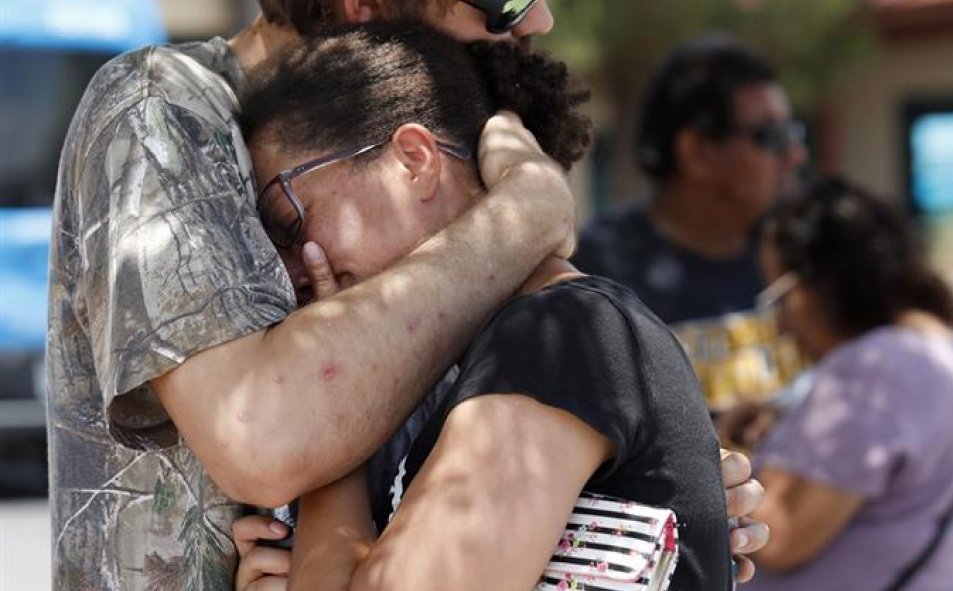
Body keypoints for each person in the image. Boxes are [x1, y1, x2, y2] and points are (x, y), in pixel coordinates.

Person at [47, 1, 766, 589]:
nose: (535, 18)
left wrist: (630, 498)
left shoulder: (539, 317)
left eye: (296, 226)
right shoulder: (160, 107)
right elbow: (260, 432)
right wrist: (526, 214)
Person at [234, 23, 734, 591]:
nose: (295, 268)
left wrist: (328, 429)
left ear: (414, 159)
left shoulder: (558, 336)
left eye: (292, 221)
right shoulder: (517, 352)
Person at [725, 177, 953, 590]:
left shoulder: (874, 370)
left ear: (825, 283)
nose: (780, 325)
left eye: (780, 296)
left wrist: (724, 452)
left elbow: (778, 535)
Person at [572, 34, 808, 409]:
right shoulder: (597, 277)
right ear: (697, 153)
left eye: (794, 132)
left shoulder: (801, 256)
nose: (796, 154)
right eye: (772, 136)